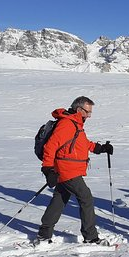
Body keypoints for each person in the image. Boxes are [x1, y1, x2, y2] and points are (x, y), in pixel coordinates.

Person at [34, 96, 113, 245]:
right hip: (67, 170)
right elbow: (50, 147)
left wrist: (100, 148)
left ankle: (44, 234)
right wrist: (47, 169)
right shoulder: (67, 124)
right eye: (87, 112)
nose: (89, 115)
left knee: (59, 199)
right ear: (79, 109)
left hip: (69, 169)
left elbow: (82, 143)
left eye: (90, 112)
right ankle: (90, 237)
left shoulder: (76, 123)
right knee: (86, 198)